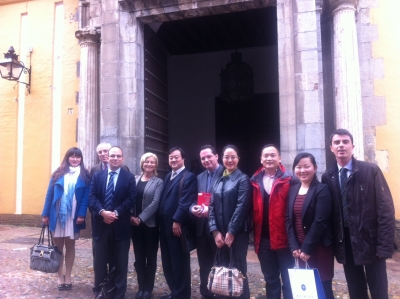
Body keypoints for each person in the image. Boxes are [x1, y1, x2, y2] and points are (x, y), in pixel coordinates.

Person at [321, 129, 395, 299]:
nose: (341, 145)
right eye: (337, 142)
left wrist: (384, 246)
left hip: (371, 240)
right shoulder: (328, 176)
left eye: (345, 142)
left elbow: (385, 209)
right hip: (345, 242)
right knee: (356, 290)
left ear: (352, 146)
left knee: (379, 291)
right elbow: (329, 213)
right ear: (331, 148)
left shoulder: (371, 171)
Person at [89, 146, 137, 299]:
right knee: (100, 261)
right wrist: (102, 212)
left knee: (120, 262)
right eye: (112, 156)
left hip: (120, 225)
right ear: (107, 158)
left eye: (118, 156)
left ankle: (118, 292)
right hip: (101, 226)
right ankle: (101, 290)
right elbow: (92, 198)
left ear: (122, 158)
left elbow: (131, 199)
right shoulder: (98, 176)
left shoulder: (129, 177)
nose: (115, 158)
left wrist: (115, 213)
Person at [286, 152, 334, 299]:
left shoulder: (322, 190)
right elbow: (288, 219)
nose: (302, 170)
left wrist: (307, 249)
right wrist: (294, 246)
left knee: (322, 287)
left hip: (319, 247)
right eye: (299, 167)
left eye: (307, 166)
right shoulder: (293, 189)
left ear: (315, 167)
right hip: (299, 249)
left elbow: (320, 221)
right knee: (305, 290)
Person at [42, 147, 91, 290]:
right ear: (67, 158)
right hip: (56, 215)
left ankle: (68, 276)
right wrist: (45, 214)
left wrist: (82, 214)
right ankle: (59, 277)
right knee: (58, 248)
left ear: (81, 159)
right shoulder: (58, 174)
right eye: (72, 156)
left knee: (70, 247)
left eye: (78, 157)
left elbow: (85, 199)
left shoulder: (85, 176)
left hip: (74, 216)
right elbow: (49, 194)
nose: (75, 159)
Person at [250, 144, 293, 299]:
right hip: (264, 241)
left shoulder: (290, 180)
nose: (269, 158)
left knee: (288, 280)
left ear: (279, 158)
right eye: (265, 156)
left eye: (272, 155)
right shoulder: (253, 181)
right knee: (271, 280)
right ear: (261, 159)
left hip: (285, 241)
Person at [209, 144, 252, 299]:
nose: (230, 160)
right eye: (226, 157)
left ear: (238, 159)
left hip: (238, 234)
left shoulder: (243, 179)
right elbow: (211, 206)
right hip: (220, 234)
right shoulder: (218, 180)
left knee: (238, 271)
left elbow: (242, 207)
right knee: (222, 269)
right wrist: (215, 231)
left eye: (233, 157)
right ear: (222, 159)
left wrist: (232, 231)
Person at [158, 147, 197, 299]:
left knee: (179, 262)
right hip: (164, 227)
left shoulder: (189, 177)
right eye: (171, 158)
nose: (173, 160)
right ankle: (175, 291)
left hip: (176, 227)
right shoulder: (168, 176)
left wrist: (177, 220)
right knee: (167, 261)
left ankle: (182, 294)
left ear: (183, 159)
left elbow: (185, 201)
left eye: (176, 157)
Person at [190, 145, 224, 298]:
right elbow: (193, 200)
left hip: (219, 229)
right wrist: (193, 209)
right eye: (203, 158)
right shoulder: (199, 177)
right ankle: (206, 293)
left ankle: (221, 293)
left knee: (221, 263)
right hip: (202, 228)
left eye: (209, 156)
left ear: (216, 156)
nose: (206, 160)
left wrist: (209, 211)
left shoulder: (226, 173)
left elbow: (227, 203)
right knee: (204, 265)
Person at [131, 153, 163, 299]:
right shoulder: (135, 179)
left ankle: (148, 289)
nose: (149, 164)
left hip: (150, 226)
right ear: (142, 163)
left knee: (150, 258)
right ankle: (141, 286)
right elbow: (130, 199)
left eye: (152, 162)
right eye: (147, 162)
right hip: (135, 226)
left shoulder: (158, 182)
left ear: (155, 165)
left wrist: (141, 218)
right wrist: (131, 216)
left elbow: (155, 203)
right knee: (138, 258)